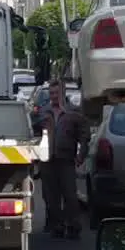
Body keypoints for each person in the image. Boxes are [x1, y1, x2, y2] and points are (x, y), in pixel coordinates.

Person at [40, 79, 90, 240]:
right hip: (47, 160)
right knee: (50, 196)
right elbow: (33, 133)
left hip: (66, 160)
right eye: (51, 93)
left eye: (56, 93)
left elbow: (84, 135)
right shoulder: (43, 111)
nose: (54, 96)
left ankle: (73, 226)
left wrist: (81, 155)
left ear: (63, 93)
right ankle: (56, 226)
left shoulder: (72, 112)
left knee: (70, 195)